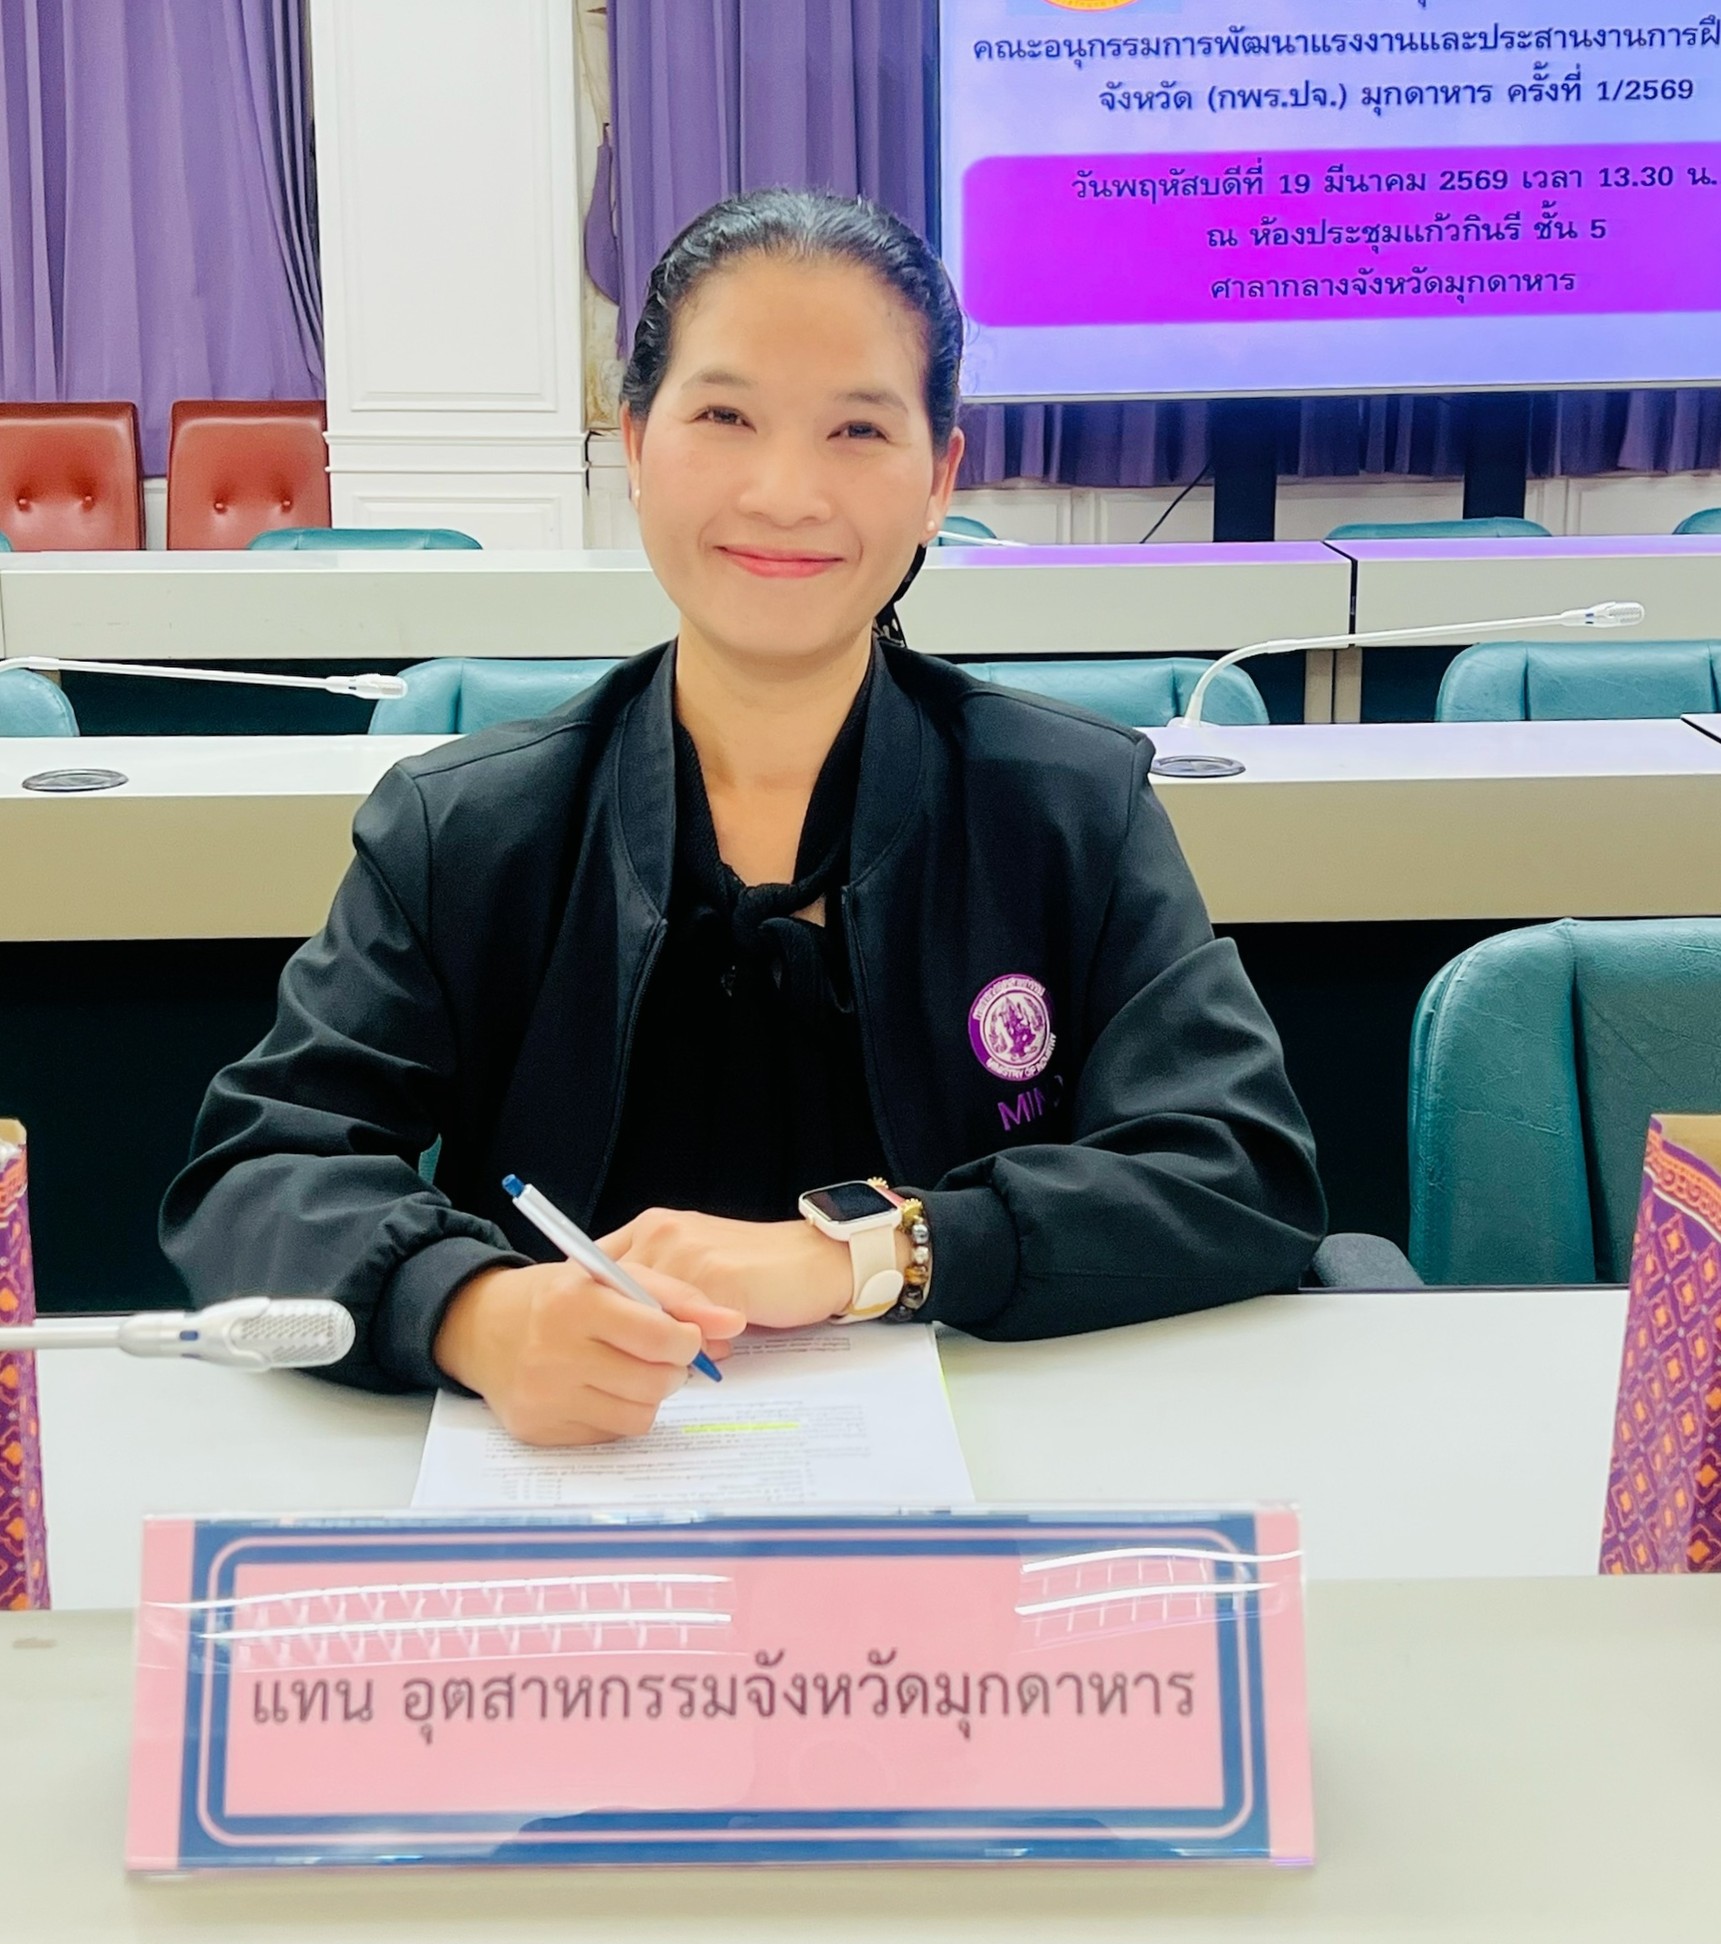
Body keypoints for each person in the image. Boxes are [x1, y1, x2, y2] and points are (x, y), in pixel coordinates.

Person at [161, 188, 1325, 1447]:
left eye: (856, 430)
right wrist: (472, 1312)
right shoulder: (466, 831)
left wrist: (872, 1251)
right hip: (575, 1482)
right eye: (723, 417)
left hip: (991, 1480)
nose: (784, 492)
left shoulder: (1067, 809)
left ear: (939, 479)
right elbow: (256, 1177)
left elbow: (1237, 1168)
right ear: (634, 441)